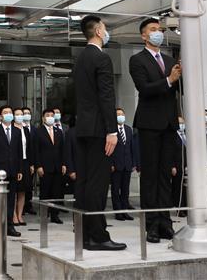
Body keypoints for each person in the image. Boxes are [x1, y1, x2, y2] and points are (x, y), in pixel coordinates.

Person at [74, 15, 125, 251]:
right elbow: (106, 96)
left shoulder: (80, 57)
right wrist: (112, 130)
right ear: (96, 31)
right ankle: (98, 235)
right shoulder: (101, 58)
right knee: (98, 182)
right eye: (104, 28)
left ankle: (85, 234)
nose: (106, 32)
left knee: (84, 182)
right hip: (98, 130)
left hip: (83, 127)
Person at [128, 17, 182, 242]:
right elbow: (144, 88)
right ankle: (151, 224)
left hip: (169, 124)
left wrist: (182, 77)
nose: (158, 32)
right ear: (144, 35)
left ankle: (165, 222)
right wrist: (169, 80)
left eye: (160, 29)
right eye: (153, 30)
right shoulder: (137, 60)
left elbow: (180, 89)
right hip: (149, 123)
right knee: (150, 175)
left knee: (164, 175)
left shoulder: (170, 59)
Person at [0, 105, 23, 237]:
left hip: (13, 170)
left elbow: (19, 152)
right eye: (5, 112)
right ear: (1, 116)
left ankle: (10, 226)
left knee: (11, 200)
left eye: (10, 112)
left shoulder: (17, 131)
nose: (8, 114)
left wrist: (20, 169)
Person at [33, 108, 65, 224]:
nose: (50, 117)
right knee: (45, 192)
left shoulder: (59, 131)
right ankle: (44, 215)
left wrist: (64, 164)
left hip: (57, 166)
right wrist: (38, 166)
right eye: (48, 115)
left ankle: (55, 215)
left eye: (52, 115)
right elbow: (36, 151)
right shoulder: (38, 132)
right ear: (43, 118)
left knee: (56, 192)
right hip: (45, 167)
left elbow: (62, 150)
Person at [110, 108, 135, 221]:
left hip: (127, 164)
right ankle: (118, 212)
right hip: (116, 165)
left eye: (122, 114)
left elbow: (132, 148)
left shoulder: (129, 130)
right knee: (115, 190)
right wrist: (111, 164)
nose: (120, 116)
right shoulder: (112, 131)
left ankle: (125, 211)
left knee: (125, 190)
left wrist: (133, 163)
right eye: (118, 115)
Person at [12, 107, 33, 226]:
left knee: (22, 190)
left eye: (21, 114)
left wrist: (31, 164)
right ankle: (13, 215)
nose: (20, 116)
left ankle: (20, 215)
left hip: (25, 162)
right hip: (14, 162)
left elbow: (29, 148)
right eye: (18, 114)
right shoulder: (11, 129)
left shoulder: (25, 130)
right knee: (14, 190)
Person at [21, 106, 36, 214]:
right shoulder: (18, 128)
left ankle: (28, 204)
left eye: (28, 113)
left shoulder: (34, 129)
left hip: (31, 161)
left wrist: (33, 163)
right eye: (24, 113)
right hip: (21, 161)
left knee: (29, 184)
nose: (27, 115)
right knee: (21, 185)